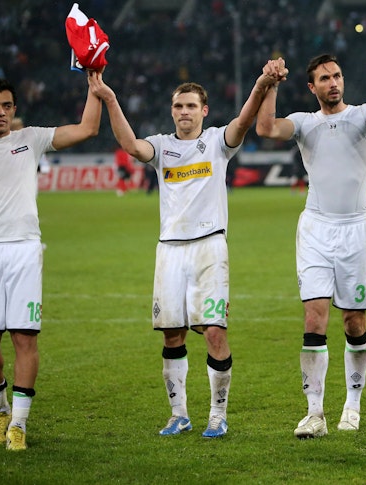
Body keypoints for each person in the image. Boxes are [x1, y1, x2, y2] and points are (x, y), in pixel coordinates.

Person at [89, 64, 279, 439]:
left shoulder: (217, 143)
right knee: (171, 335)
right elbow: (131, 145)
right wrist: (110, 99)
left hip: (210, 247)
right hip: (170, 252)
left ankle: (217, 415)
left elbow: (243, 120)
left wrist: (261, 84)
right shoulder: (162, 146)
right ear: (172, 110)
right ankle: (179, 415)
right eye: (178, 106)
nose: (184, 112)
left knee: (214, 332)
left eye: (191, 106)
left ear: (204, 110)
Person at [255, 54, 366, 439]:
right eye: (324, 78)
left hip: (356, 230)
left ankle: (352, 403)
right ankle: (314, 413)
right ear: (312, 87)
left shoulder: (363, 115)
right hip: (315, 229)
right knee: (314, 318)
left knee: (354, 321)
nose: (333, 82)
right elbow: (265, 128)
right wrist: (271, 84)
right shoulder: (304, 123)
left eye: (337, 75)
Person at [0, 74, 102, 451]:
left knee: (24, 337)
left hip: (23, 249)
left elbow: (88, 128)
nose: (1, 112)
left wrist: (95, 88)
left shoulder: (30, 139)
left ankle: (18, 425)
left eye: (7, 106)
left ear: (15, 110)